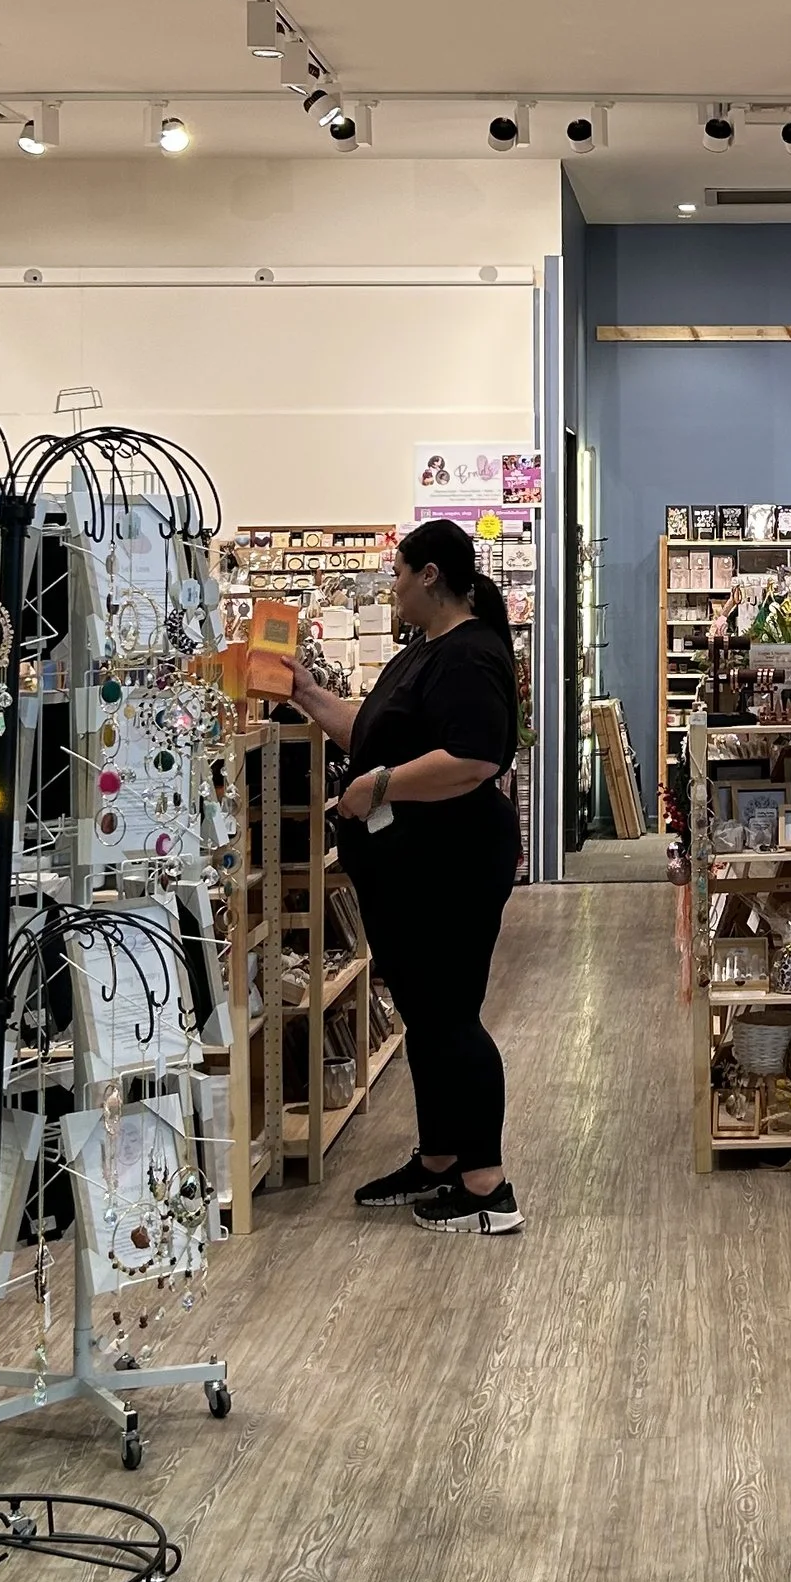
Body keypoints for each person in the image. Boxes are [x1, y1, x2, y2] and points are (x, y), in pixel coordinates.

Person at [275, 518, 525, 1235]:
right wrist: (307, 694)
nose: (391, 587)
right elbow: (372, 731)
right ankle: (441, 1159)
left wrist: (380, 786)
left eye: (398, 573)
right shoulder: (424, 652)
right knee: (427, 1016)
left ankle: (488, 1186)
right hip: (412, 868)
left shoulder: (472, 655)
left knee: (449, 1015)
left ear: (431, 575)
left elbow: (475, 760)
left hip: (451, 866)